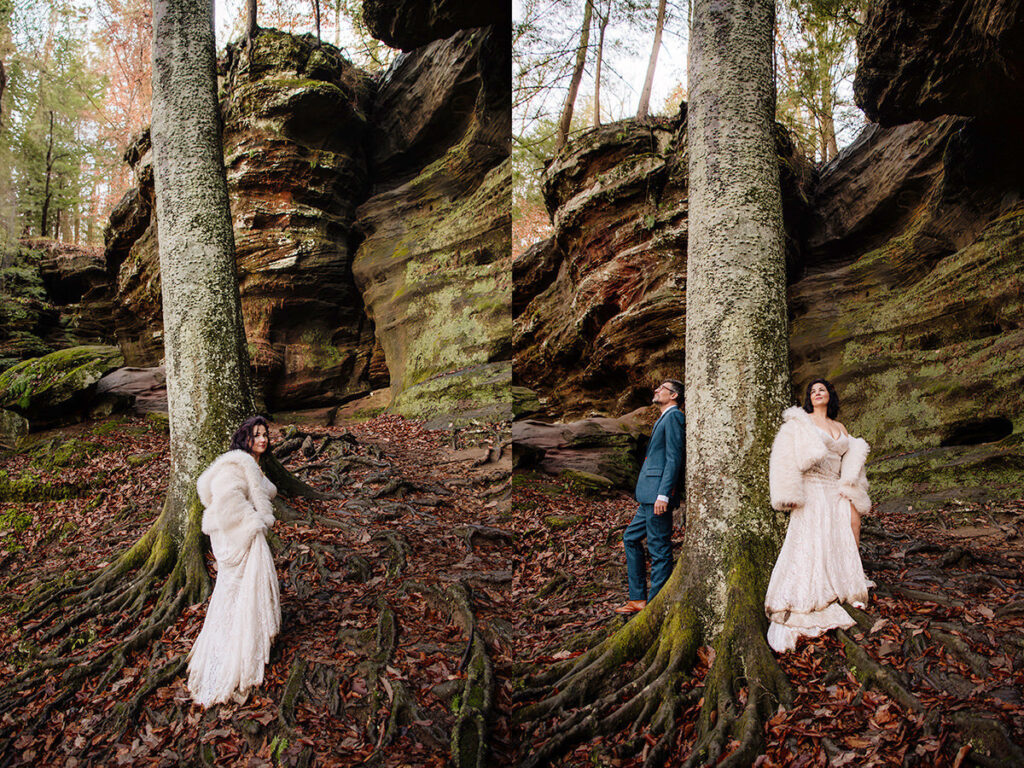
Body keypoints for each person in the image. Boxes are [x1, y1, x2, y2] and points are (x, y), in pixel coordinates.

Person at [764, 378, 872, 653]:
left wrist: (852, 484)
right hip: (812, 487)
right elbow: (785, 457)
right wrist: (789, 492)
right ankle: (821, 588)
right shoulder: (802, 422)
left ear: (830, 395)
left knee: (850, 524)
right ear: (808, 399)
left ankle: (849, 579)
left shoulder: (840, 427)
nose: (817, 393)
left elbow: (850, 458)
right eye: (812, 391)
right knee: (814, 537)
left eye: (821, 389)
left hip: (836, 487)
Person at [187, 415, 281, 707]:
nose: (263, 439)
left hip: (241, 537)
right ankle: (231, 655)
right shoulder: (235, 465)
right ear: (245, 438)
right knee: (235, 593)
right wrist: (253, 521)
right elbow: (227, 503)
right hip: (237, 539)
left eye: (265, 434)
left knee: (241, 594)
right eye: (256, 434)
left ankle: (245, 644)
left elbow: (261, 490)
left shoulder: (250, 466)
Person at [614, 379, 685, 615]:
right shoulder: (663, 418)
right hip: (648, 496)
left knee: (659, 548)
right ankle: (637, 599)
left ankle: (655, 605)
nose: (656, 390)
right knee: (630, 538)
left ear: (673, 395)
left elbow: (674, 458)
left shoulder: (674, 417)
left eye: (662, 388)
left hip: (658, 496)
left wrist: (664, 495)